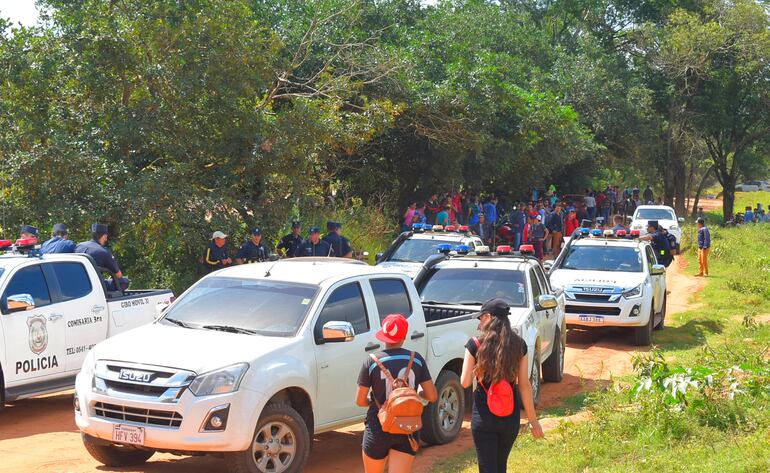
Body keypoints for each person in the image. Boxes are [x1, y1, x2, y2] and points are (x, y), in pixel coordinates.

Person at [461, 299, 543, 473]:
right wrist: (533, 421)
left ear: (489, 317)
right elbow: (524, 385)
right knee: (500, 467)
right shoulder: (519, 345)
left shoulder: (475, 344)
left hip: (484, 418)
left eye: (481, 318)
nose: (480, 322)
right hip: (509, 417)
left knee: (487, 468)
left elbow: (465, 382)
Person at [356, 314, 437, 473]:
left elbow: (359, 400)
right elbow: (432, 396)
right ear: (405, 336)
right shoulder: (416, 359)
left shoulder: (371, 361)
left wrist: (374, 402)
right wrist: (418, 393)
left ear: (384, 336)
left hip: (378, 425)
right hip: (407, 427)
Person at [76, 224, 128, 290]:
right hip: (94, 285)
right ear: (104, 236)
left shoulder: (79, 246)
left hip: (77, 283)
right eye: (106, 236)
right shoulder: (103, 251)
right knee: (124, 281)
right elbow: (118, 275)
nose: (106, 239)